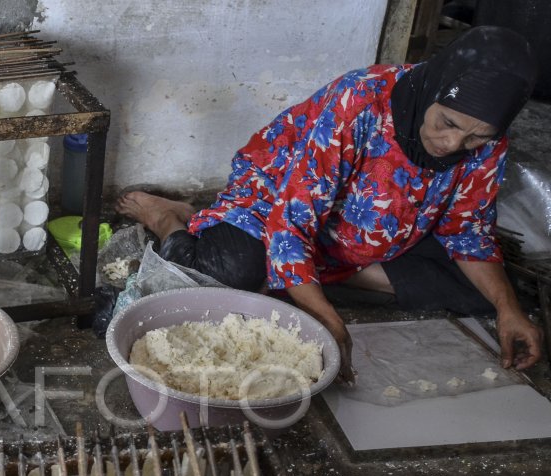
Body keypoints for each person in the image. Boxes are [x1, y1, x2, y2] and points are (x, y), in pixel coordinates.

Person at [117, 26, 543, 382]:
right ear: (433, 88)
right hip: (277, 202)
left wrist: (509, 310)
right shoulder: (359, 101)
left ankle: (305, 277)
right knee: (226, 274)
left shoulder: (487, 142)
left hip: (385, 232)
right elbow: (291, 223)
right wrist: (328, 319)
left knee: (495, 296)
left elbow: (468, 231)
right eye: (447, 123)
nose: (453, 144)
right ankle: (172, 217)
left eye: (476, 136)